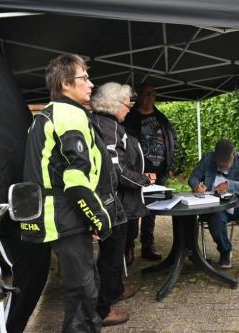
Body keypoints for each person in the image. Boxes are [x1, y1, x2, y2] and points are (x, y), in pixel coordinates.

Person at [22, 54, 120, 332]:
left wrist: (86, 217)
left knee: (87, 286)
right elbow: (75, 177)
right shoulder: (69, 115)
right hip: (64, 215)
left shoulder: (53, 112)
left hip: (65, 215)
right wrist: (99, 216)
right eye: (84, 78)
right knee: (83, 292)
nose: (91, 84)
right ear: (66, 83)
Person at [91, 82, 152, 326]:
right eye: (128, 104)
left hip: (114, 202)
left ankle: (115, 289)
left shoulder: (104, 124)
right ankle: (102, 309)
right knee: (111, 254)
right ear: (115, 104)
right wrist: (143, 180)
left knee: (116, 251)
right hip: (112, 203)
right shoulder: (108, 128)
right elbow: (116, 170)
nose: (130, 109)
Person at [189, 139, 239, 275]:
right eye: (218, 164)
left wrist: (229, 185)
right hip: (216, 208)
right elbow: (193, 178)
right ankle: (225, 251)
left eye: (225, 164)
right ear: (214, 156)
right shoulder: (208, 159)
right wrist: (196, 185)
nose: (221, 167)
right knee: (214, 217)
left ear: (233, 156)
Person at [124, 83, 177, 261]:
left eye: (153, 94)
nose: (150, 98)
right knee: (133, 210)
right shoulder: (129, 118)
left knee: (151, 211)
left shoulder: (161, 118)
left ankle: (148, 245)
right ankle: (128, 246)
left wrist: (169, 165)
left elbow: (172, 140)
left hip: (159, 174)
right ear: (138, 96)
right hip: (137, 174)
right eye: (146, 94)